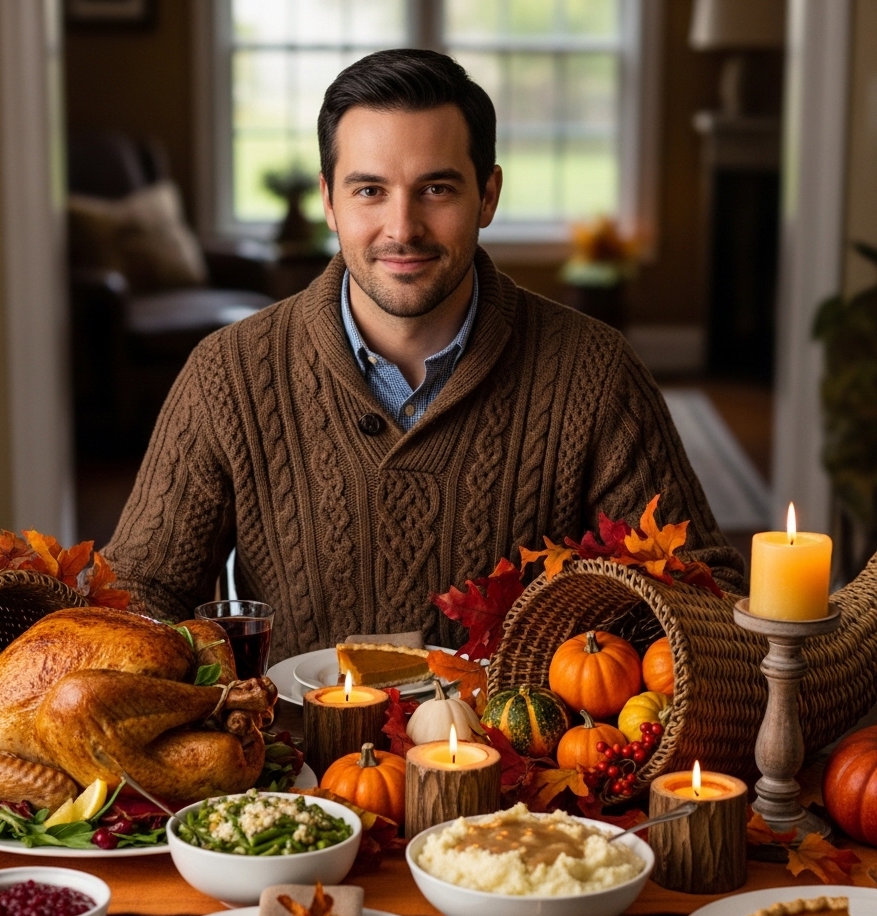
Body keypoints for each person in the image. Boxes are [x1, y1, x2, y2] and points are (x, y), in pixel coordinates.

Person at [104, 49, 744, 662]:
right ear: (330, 200)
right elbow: (138, 593)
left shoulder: (594, 373)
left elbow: (703, 593)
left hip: (520, 764)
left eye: (436, 189)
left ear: (487, 196)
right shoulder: (230, 374)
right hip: (286, 766)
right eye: (369, 191)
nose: (402, 227)